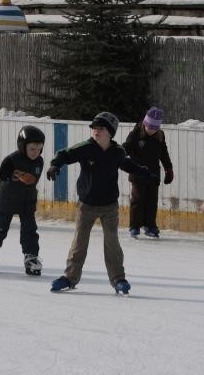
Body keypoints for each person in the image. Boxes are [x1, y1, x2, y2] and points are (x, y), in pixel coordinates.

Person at [47, 112, 156, 295]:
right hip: (86, 205)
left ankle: (118, 279)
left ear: (110, 133)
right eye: (94, 128)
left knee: (112, 243)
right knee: (79, 243)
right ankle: (70, 277)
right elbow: (65, 154)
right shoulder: (86, 148)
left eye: (101, 128)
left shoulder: (117, 152)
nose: (96, 131)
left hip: (109, 206)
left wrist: (146, 173)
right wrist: (55, 165)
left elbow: (128, 165)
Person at [0, 126, 45, 275]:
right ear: (23, 146)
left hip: (27, 200)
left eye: (39, 149)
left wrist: (27, 179)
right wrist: (18, 174)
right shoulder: (11, 160)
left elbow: (33, 180)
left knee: (30, 230)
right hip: (7, 199)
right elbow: (3, 175)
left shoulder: (39, 161)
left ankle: (31, 257)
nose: (36, 152)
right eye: (33, 149)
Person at [122, 107, 173, 239]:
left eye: (154, 129)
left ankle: (150, 226)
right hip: (137, 173)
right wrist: (119, 154)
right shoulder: (135, 134)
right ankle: (134, 226)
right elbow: (126, 147)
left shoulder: (160, 136)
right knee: (138, 200)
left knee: (152, 201)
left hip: (154, 175)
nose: (151, 131)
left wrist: (169, 169)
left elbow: (164, 154)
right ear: (145, 124)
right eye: (149, 128)